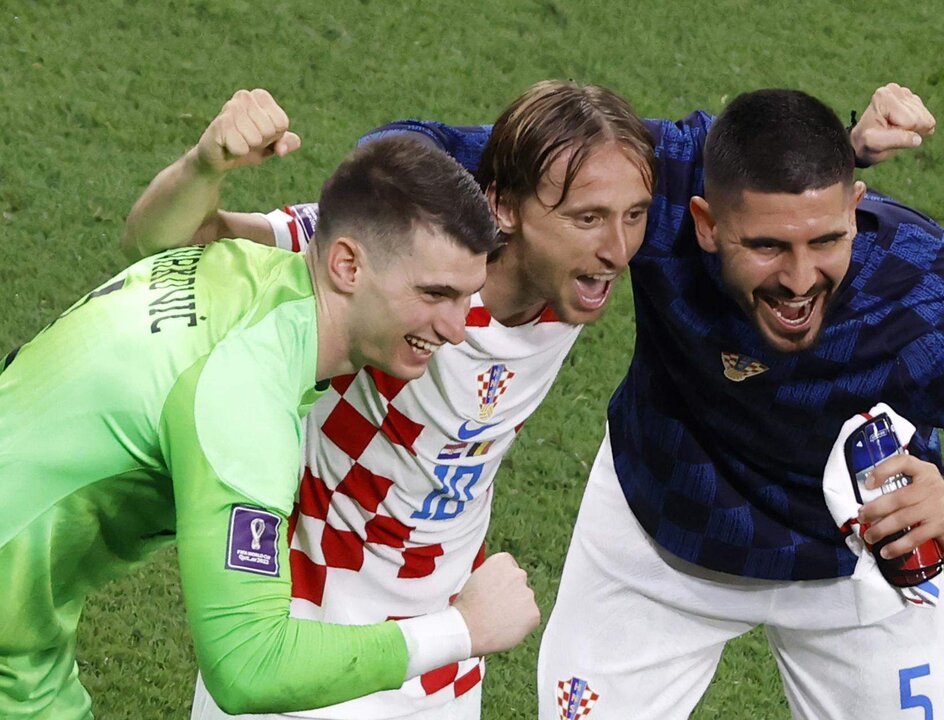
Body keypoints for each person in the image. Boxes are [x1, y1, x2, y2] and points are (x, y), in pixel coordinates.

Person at [124, 84, 933, 720]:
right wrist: (206, 164)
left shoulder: (574, 276)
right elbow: (167, 246)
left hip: (446, 643)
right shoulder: (403, 264)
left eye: (632, 219)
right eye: (587, 219)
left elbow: (726, 177)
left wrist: (847, 144)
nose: (616, 249)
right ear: (504, 209)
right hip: (310, 628)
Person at [535, 89, 944, 719]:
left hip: (860, 574)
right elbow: (451, 156)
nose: (800, 282)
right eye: (769, 247)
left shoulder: (933, 299)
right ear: (706, 224)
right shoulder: (655, 190)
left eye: (826, 240)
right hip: (659, 539)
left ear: (855, 209)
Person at [0, 130, 542, 720]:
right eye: (434, 294)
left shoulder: (243, 268)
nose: (456, 328)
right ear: (346, 264)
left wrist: (202, 168)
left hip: (23, 629)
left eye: (466, 297)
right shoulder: (244, 399)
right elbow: (248, 667)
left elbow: (147, 242)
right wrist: (463, 629)